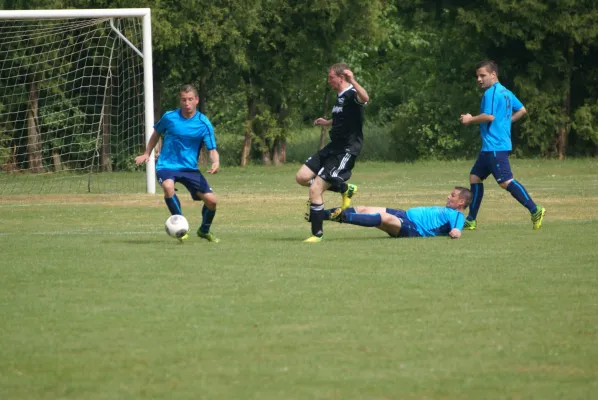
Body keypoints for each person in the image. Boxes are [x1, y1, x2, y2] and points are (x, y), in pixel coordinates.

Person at [459, 60, 546, 230]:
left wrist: (470, 119)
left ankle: (535, 210)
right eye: (477, 76)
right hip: (490, 147)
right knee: (475, 177)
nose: (479, 79)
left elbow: (488, 116)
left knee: (505, 181)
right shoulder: (506, 92)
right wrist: (506, 123)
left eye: (482, 75)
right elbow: (522, 110)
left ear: (493, 75)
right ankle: (471, 219)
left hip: (495, 147)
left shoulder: (491, 93)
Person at [135, 84, 220, 243]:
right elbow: (156, 134)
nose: (187, 103)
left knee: (211, 201)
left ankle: (204, 230)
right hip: (166, 165)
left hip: (189, 169)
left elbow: (212, 149)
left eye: (190, 99)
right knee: (168, 187)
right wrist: (147, 153)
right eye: (183, 100)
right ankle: (181, 226)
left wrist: (215, 162)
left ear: (196, 100)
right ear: (180, 101)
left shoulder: (203, 123)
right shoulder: (169, 117)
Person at [295, 63, 369, 243]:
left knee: (315, 189)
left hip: (346, 149)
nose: (328, 81)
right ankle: (344, 188)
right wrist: (327, 122)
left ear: (341, 78)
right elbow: (342, 117)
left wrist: (353, 80)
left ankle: (317, 234)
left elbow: (365, 98)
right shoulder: (340, 96)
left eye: (331, 77)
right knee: (302, 177)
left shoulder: (352, 93)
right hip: (333, 146)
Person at [324, 187, 472, 239]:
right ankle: (320, 214)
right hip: (404, 215)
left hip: (414, 229)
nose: (448, 196)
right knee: (364, 209)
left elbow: (457, 230)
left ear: (461, 202)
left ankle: (342, 217)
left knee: (383, 218)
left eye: (453, 195)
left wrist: (455, 233)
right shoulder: (447, 210)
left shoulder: (457, 215)